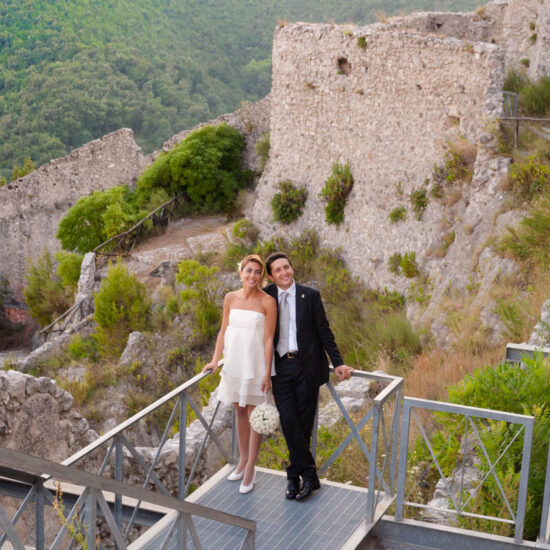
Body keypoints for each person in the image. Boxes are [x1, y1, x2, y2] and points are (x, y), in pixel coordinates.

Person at [264, 251, 354, 502]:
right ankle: (309, 475)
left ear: (292, 268)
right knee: (288, 421)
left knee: (303, 425)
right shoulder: (267, 296)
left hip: (307, 367)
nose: (284, 272)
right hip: (280, 368)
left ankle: (294, 476)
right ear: (271, 275)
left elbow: (324, 330)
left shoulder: (310, 296)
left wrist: (338, 362)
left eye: (287, 267)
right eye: (278, 270)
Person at [203, 254, 276, 494]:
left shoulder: (267, 302)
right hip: (234, 362)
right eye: (249, 271)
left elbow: (268, 339)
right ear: (240, 272)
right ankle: (242, 460)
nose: (253, 276)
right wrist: (215, 360)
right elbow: (223, 331)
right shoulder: (230, 298)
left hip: (256, 365)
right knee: (240, 412)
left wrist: (266, 372)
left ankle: (251, 469)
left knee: (256, 417)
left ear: (262, 276)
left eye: (257, 272)